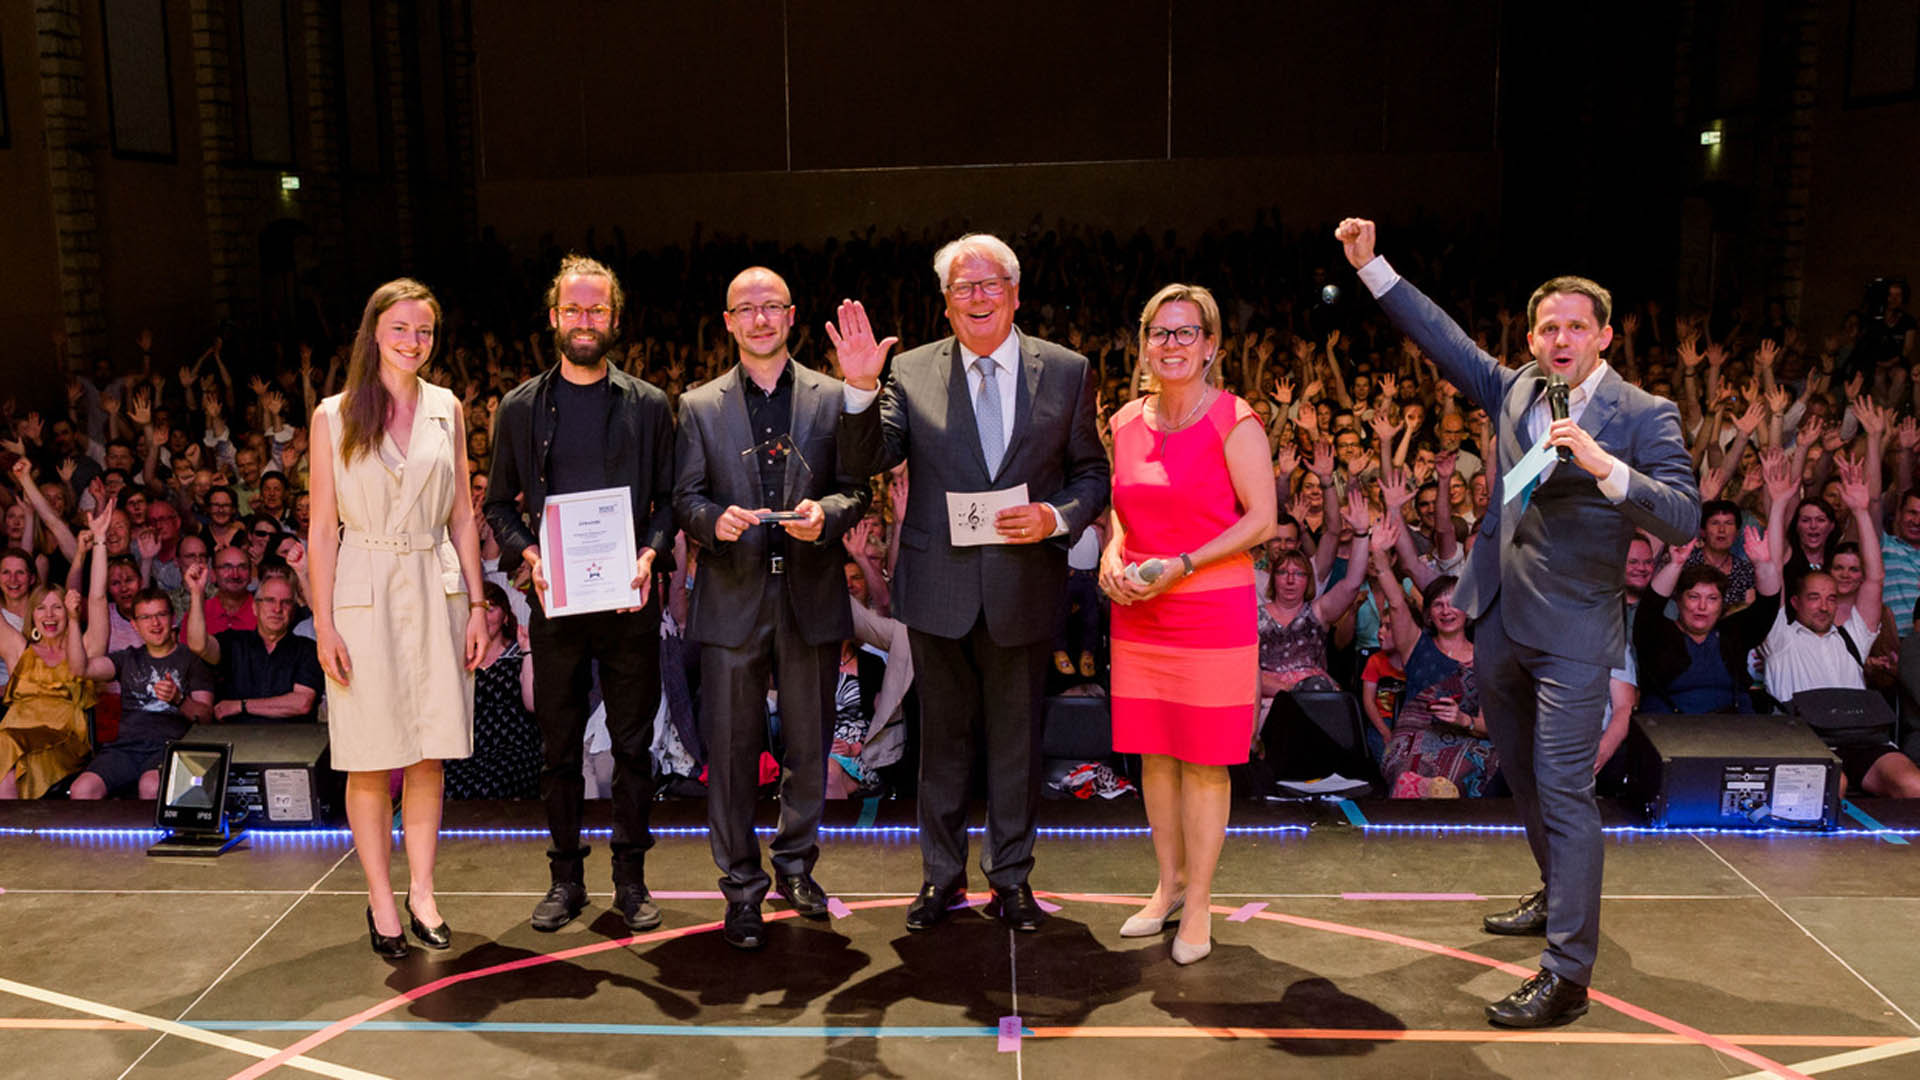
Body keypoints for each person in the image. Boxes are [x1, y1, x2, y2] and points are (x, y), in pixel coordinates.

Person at [1337, 218, 1699, 1027]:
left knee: (1567, 791)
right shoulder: (1515, 389)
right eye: (1547, 327)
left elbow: (1681, 517)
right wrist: (1371, 267)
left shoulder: (1645, 414)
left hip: (1574, 634)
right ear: (1532, 336)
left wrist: (1608, 469)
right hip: (1497, 622)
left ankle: (1567, 974)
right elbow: (1438, 334)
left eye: (1576, 326)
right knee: (1527, 779)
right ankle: (1554, 891)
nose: (1560, 338)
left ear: (1604, 335)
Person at [829, 233, 1109, 933]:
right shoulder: (912, 371)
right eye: (963, 287)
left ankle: (1011, 881)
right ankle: (941, 878)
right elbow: (867, 457)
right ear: (946, 303)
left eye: (990, 285)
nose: (978, 297)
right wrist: (861, 388)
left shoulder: (1068, 370)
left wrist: (1053, 515)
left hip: (1023, 586)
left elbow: (1092, 475)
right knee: (942, 748)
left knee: (1016, 746)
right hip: (939, 590)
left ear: (1015, 294)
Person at [672, 266, 869, 949]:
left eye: (771, 307)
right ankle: (741, 889)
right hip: (732, 597)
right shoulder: (698, 406)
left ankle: (795, 866)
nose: (759, 319)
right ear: (727, 322)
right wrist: (709, 522)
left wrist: (830, 516)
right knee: (730, 754)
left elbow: (857, 490)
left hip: (809, 593)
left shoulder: (832, 396)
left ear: (791, 316)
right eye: (744, 309)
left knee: (809, 748)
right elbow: (684, 497)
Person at [485, 255, 676, 934]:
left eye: (597, 310)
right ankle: (566, 878)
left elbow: (670, 502)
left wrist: (651, 553)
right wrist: (529, 556)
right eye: (574, 309)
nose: (585, 321)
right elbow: (499, 507)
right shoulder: (520, 408)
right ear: (554, 318)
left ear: (615, 319)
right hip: (556, 602)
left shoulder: (650, 406)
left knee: (632, 748)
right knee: (559, 749)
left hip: (627, 601)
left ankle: (631, 880)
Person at [308, 278, 487, 959]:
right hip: (364, 589)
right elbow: (323, 530)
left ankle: (423, 891)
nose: (414, 342)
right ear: (374, 333)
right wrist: (323, 622)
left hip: (432, 583)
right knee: (369, 755)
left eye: (425, 332)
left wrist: (476, 603)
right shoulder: (334, 414)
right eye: (401, 329)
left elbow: (463, 515)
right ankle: (381, 899)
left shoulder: (447, 407)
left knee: (426, 753)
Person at [1098, 283, 1275, 965]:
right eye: (1159, 332)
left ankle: (1199, 900)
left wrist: (1184, 563)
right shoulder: (1124, 422)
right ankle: (1167, 885)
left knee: (1204, 762)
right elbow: (1121, 507)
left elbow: (1261, 519)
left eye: (1186, 332)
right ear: (1143, 343)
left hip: (1209, 608)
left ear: (1212, 346)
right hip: (1142, 608)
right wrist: (1116, 549)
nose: (1171, 344)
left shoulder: (1235, 419)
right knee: (1155, 755)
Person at [74, 587, 214, 798]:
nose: (155, 623)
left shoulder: (191, 659)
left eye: (161, 615)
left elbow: (206, 717)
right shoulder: (127, 658)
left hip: (170, 748)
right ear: (135, 626)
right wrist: (73, 621)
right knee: (82, 789)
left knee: (150, 786)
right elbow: (80, 669)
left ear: (173, 618)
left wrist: (179, 700)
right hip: (125, 749)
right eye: (146, 617)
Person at [1635, 529, 1782, 714]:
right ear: (1679, 600)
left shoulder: (1734, 633)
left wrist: (1763, 565)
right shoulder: (1657, 633)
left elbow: (1767, 606)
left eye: (1712, 598)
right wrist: (1675, 565)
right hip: (1668, 733)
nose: (1702, 606)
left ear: (1722, 604)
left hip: (1735, 733)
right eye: (1694, 597)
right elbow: (1650, 605)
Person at [182, 564, 323, 724]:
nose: (277, 609)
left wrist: (241, 706)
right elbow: (198, 645)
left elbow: (301, 704)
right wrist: (197, 592)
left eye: (286, 602)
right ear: (255, 607)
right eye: (270, 600)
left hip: (292, 744)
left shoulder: (307, 649)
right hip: (238, 742)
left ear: (293, 610)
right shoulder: (233, 642)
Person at [443, 582, 540, 801]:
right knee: (442, 781)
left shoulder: (518, 653)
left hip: (513, 746)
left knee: (491, 785)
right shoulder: (459, 659)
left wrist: (528, 651)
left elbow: (532, 703)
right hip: (468, 745)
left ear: (505, 616)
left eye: (492, 608)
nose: (485, 617)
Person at [0, 585, 94, 798]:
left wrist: (86, 555)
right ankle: (16, 831)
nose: (49, 615)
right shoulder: (20, 650)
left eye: (57, 607)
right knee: (7, 775)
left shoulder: (82, 650)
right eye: (41, 608)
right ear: (32, 614)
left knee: (4, 742)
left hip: (63, 738)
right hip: (13, 740)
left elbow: (97, 599)